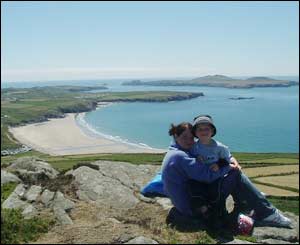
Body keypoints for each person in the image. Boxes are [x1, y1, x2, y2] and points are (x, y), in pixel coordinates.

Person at [161, 119, 292, 229]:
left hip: (188, 200)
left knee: (234, 175)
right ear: (176, 136)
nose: (189, 141)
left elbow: (216, 162)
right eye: (185, 137)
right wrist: (229, 167)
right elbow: (207, 176)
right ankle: (266, 211)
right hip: (193, 206)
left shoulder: (174, 151)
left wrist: (228, 162)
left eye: (191, 138)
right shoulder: (180, 156)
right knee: (236, 174)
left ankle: (251, 203)